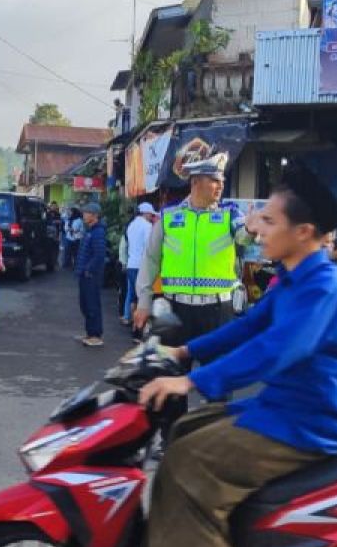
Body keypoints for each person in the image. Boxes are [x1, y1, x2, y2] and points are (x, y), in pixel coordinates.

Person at [124, 169, 337, 547]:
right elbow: (250, 326)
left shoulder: (320, 287)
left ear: (304, 233)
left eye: (270, 221)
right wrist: (184, 352)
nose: (258, 227)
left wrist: (191, 382)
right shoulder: (296, 278)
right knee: (182, 432)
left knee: (189, 464)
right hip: (282, 408)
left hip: (306, 424)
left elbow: (273, 350)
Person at [133, 153, 254, 432]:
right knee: (171, 379)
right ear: (196, 182)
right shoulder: (169, 216)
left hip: (217, 312)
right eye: (214, 180)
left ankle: (215, 438)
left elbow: (244, 236)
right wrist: (143, 301)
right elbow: (151, 260)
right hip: (175, 312)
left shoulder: (229, 214)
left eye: (222, 181)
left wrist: (251, 228)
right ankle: (172, 439)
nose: (220, 186)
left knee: (218, 382)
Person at [122, 203, 158, 333]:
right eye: (150, 214)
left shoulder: (131, 225)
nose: (151, 216)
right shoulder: (147, 226)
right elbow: (149, 248)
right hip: (141, 265)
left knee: (132, 294)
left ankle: (128, 318)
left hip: (131, 264)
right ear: (145, 213)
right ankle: (137, 327)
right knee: (141, 297)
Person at [75, 202, 107, 347]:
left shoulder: (98, 232)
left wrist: (88, 269)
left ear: (94, 216)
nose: (84, 215)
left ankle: (95, 335)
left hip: (91, 275)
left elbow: (99, 255)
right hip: (85, 274)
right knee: (85, 304)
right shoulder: (90, 230)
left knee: (92, 304)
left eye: (86, 213)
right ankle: (90, 332)